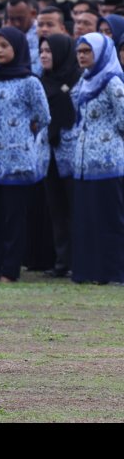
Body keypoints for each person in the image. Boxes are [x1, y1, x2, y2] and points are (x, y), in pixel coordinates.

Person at [0, 27, 50, 282]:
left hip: (17, 160)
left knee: (13, 217)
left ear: (17, 48)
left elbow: (43, 116)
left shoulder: (30, 82)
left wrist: (22, 134)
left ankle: (9, 270)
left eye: (4, 46)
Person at [68, 33, 124, 285]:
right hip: (83, 163)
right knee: (87, 219)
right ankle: (89, 271)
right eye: (79, 51)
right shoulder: (85, 80)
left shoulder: (112, 81)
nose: (81, 56)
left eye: (87, 51)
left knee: (110, 219)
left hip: (108, 162)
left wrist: (107, 139)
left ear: (101, 53)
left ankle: (114, 272)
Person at [39, 34, 82, 278]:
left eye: (49, 51)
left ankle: (79, 261)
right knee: (57, 210)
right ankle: (62, 261)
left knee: (76, 209)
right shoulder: (42, 81)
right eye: (41, 51)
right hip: (50, 155)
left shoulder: (80, 81)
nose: (44, 55)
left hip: (74, 156)